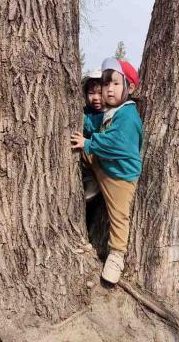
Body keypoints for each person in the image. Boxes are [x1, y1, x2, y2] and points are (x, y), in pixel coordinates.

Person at [71, 57, 143, 283]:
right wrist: (81, 120)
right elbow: (95, 125)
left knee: (119, 216)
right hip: (103, 164)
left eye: (116, 83)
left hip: (119, 177)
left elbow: (116, 143)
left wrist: (89, 143)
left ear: (130, 88)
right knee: (81, 150)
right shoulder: (111, 110)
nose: (109, 89)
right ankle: (92, 180)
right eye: (106, 84)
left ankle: (116, 256)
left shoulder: (128, 115)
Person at [81, 68, 104, 200]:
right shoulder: (86, 111)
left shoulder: (109, 113)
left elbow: (94, 128)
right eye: (91, 93)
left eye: (100, 93)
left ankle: (94, 182)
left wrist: (83, 119)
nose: (96, 98)